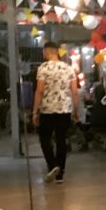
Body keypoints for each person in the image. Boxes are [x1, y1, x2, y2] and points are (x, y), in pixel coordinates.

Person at [32, 41, 79, 183]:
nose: (42, 53)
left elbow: (40, 91)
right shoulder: (68, 68)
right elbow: (74, 92)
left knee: (44, 138)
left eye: (43, 51)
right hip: (65, 109)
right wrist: (76, 110)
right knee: (61, 140)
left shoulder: (43, 68)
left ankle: (52, 165)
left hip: (47, 109)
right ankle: (60, 174)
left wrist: (35, 111)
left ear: (48, 51)